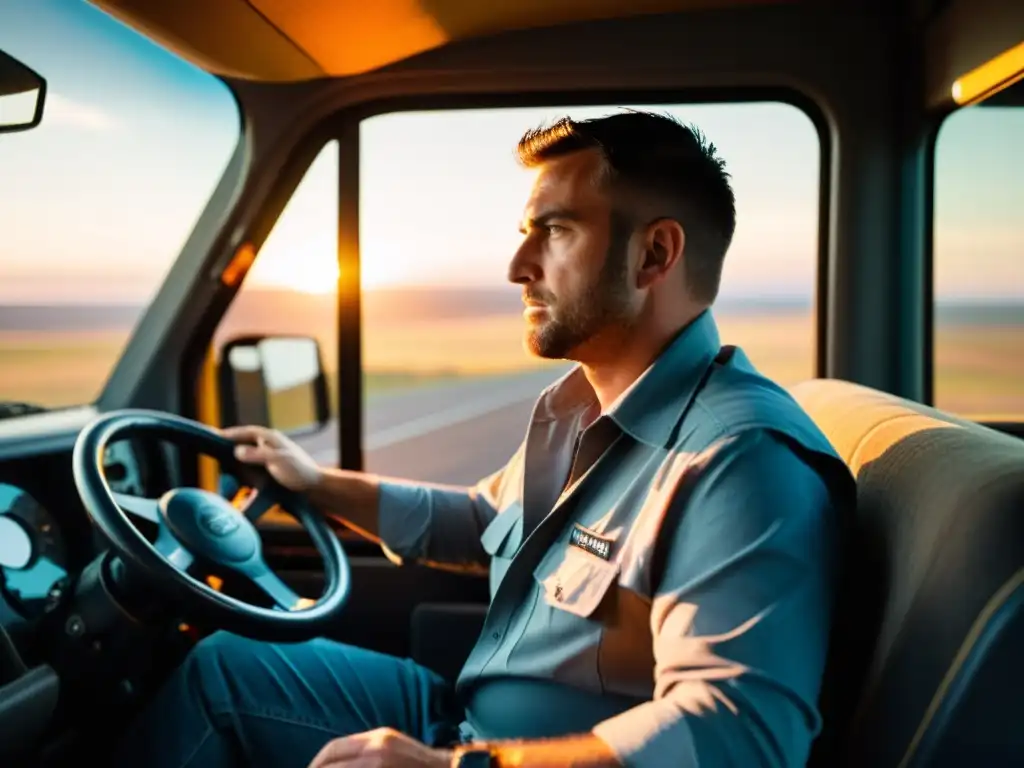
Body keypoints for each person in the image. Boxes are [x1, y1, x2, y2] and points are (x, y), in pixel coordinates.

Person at [113, 111, 853, 768]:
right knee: (224, 669)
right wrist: (316, 483)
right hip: (464, 719)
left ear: (654, 255)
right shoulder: (581, 411)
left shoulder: (738, 462)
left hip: (501, 755)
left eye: (556, 230)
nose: (517, 268)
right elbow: (481, 521)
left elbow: (738, 739)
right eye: (525, 233)